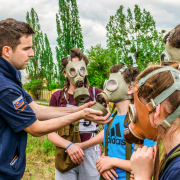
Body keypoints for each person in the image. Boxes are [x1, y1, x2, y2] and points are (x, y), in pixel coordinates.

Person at [0, 18, 111, 180]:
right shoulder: (5, 87)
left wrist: (79, 109)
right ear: (7, 51)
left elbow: (37, 110)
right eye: (26, 48)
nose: (32, 53)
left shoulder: (12, 77)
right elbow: (35, 128)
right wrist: (79, 115)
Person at [76, 65, 156, 180]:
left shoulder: (141, 121)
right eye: (108, 82)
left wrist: (112, 162)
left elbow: (148, 164)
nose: (107, 87)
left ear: (130, 89)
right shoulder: (110, 118)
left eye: (113, 83)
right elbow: (108, 152)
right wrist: (103, 163)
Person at [48, 48, 103, 180]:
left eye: (81, 69)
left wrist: (82, 146)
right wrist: (69, 145)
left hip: (90, 153)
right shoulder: (57, 97)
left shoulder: (97, 94)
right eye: (72, 70)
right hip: (65, 152)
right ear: (65, 73)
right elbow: (51, 133)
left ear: (86, 71)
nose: (77, 73)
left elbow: (106, 128)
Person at [129, 63, 180, 180]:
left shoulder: (177, 170)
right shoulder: (173, 158)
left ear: (156, 112)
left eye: (135, 110)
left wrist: (142, 177)